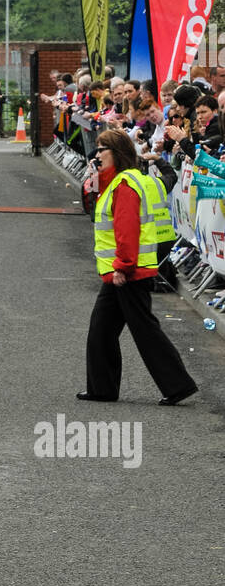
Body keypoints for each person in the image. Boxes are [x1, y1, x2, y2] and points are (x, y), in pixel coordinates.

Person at [78, 127, 198, 406]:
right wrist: (94, 175)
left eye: (102, 149)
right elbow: (89, 201)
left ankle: (178, 384)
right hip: (122, 272)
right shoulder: (118, 180)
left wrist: (123, 266)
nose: (97, 155)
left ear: (116, 153)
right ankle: (102, 388)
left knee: (143, 330)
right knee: (102, 329)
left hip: (128, 272)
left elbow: (127, 229)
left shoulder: (124, 185)